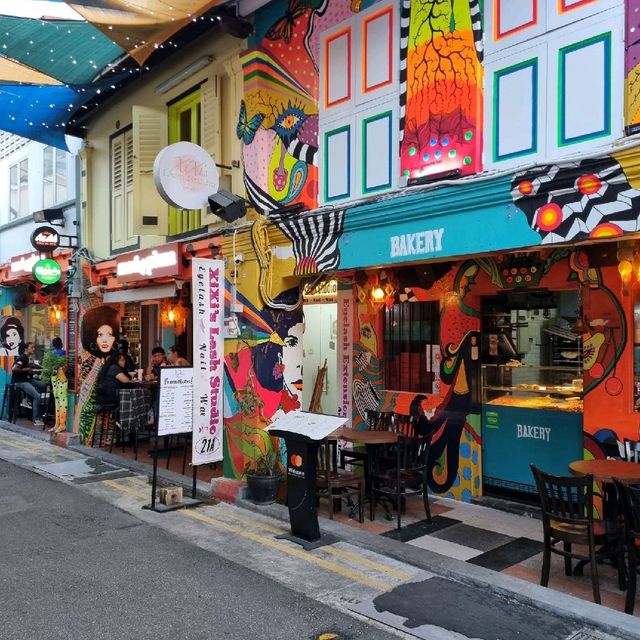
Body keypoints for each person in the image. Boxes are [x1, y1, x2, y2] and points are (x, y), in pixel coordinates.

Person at [12, 341, 46, 426]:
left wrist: (32, 372)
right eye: (32, 347)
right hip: (20, 381)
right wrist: (27, 370)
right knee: (37, 396)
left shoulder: (27, 358)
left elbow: (25, 370)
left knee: (43, 385)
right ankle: (36, 418)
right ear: (26, 349)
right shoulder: (23, 357)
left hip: (26, 379)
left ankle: (28, 398)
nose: (33, 349)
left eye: (34, 347)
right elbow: (14, 368)